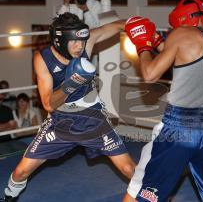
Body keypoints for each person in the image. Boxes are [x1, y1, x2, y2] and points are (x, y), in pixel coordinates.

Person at [0, 12, 135, 202]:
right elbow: (48, 104)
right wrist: (71, 83)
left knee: (129, 169)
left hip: (92, 118)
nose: (80, 46)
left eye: (82, 41)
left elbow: (116, 26)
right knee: (21, 172)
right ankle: (9, 197)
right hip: (60, 121)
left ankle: (155, 194)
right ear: (59, 41)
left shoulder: (85, 42)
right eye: (74, 42)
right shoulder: (43, 59)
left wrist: (137, 24)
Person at [123, 0, 203, 201]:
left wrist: (143, 46)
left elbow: (150, 74)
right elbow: (191, 62)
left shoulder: (181, 35)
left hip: (179, 128)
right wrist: (158, 43)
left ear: (181, 21)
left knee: (147, 192)